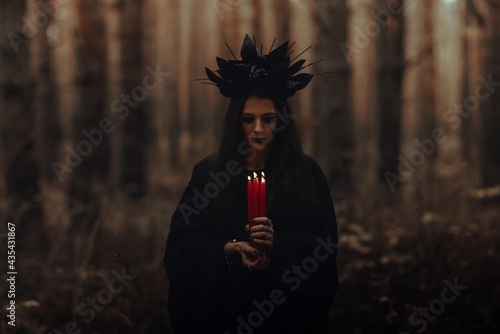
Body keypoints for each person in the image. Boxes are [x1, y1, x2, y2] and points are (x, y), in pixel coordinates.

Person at [163, 35, 338, 334]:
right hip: (223, 319)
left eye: (268, 119)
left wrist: (277, 247)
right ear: (236, 122)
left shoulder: (305, 172)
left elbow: (324, 248)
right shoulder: (209, 174)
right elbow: (181, 250)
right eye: (248, 119)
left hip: (288, 321)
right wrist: (230, 250)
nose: (258, 129)